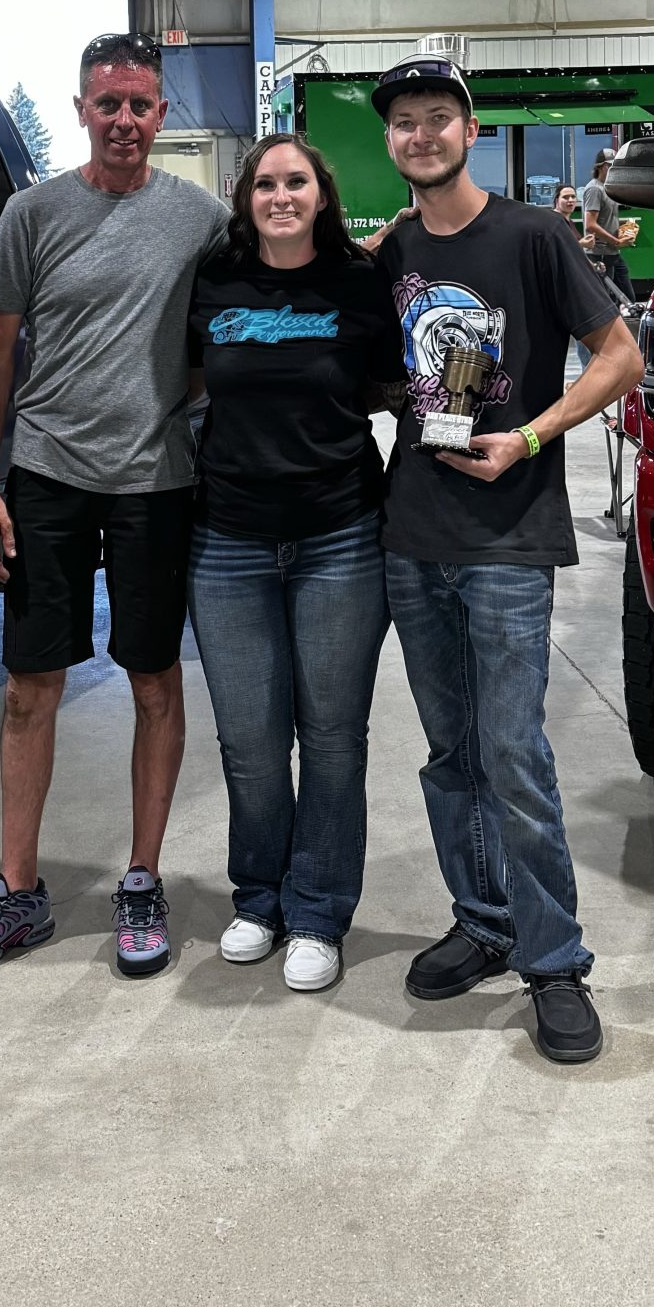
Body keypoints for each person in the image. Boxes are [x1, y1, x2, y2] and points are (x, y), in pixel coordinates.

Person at [0, 32, 228, 984]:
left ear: (162, 114)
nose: (125, 120)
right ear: (82, 110)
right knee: (31, 685)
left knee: (154, 681)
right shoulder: (33, 214)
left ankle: (142, 880)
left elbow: (244, 315)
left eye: (140, 104)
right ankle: (18, 892)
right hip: (48, 473)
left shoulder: (203, 219)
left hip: (156, 479)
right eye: (109, 104)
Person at [370, 56, 644, 1066]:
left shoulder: (533, 235)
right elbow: (387, 374)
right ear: (391, 140)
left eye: (438, 116)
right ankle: (483, 921)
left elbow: (621, 357)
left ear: (470, 130)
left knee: (514, 752)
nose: (422, 134)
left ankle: (554, 961)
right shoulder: (392, 250)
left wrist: (528, 437)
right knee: (451, 752)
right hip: (414, 532)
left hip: (508, 537)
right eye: (405, 120)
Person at [186, 137, 400, 993]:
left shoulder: (359, 282)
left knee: (334, 737)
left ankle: (317, 912)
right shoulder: (213, 282)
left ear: (321, 195)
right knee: (250, 741)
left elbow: (390, 388)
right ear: (246, 197)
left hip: (339, 536)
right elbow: (187, 383)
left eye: (296, 181)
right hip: (228, 541)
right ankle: (258, 898)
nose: (281, 195)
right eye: (266, 183)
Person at [582, 148, 635, 299]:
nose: (613, 169)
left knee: (628, 299)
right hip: (600, 253)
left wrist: (626, 227)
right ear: (601, 166)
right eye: (610, 165)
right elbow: (590, 224)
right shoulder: (594, 189)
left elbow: (606, 218)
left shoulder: (607, 188)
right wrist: (617, 241)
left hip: (612, 252)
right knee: (605, 298)